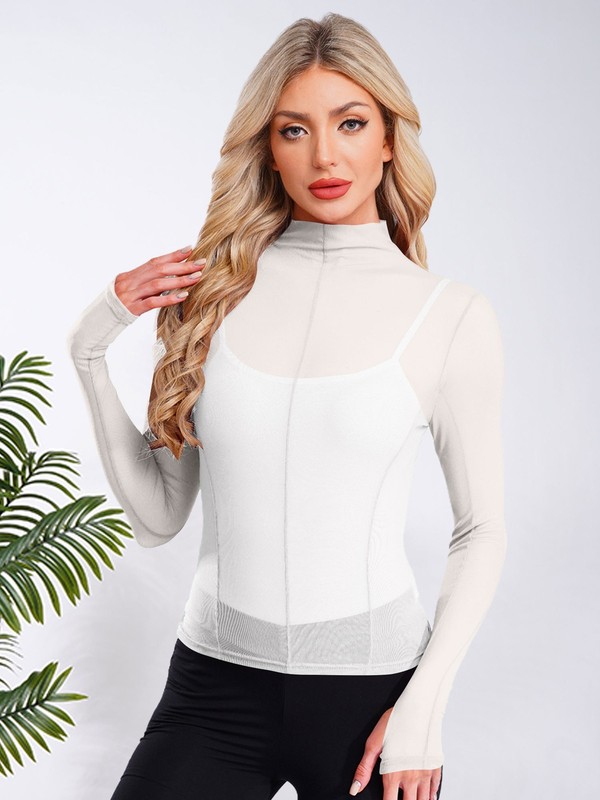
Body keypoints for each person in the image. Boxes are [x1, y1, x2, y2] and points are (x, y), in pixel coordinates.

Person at [68, 12, 507, 800]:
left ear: (388, 137)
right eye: (294, 130)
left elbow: (481, 530)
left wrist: (423, 711)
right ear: (267, 148)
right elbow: (159, 518)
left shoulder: (451, 315)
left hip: (372, 699)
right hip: (212, 691)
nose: (325, 155)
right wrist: (89, 348)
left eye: (350, 123)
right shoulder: (208, 298)